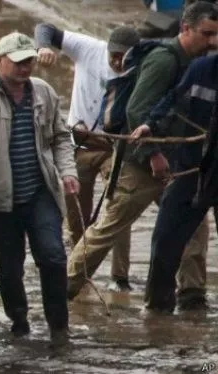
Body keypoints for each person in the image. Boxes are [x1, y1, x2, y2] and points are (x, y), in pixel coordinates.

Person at [66, 1, 218, 311]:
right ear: (185, 29)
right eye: (206, 34)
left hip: (178, 163)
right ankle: (61, 288)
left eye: (216, 35)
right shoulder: (164, 60)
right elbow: (137, 109)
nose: (212, 42)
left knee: (192, 227)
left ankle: (190, 295)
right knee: (110, 227)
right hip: (144, 163)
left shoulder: (195, 62)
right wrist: (153, 155)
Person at [0, 32, 79, 347]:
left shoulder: (44, 93)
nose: (25, 68)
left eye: (29, 62)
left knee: (52, 257)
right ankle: (19, 321)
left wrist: (67, 171)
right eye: (19, 62)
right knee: (9, 268)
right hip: (0, 198)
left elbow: (61, 137)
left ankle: (59, 327)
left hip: (40, 191)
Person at [35, 24, 141, 291]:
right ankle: (81, 270)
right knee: (75, 210)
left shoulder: (142, 68)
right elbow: (46, 28)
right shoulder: (88, 48)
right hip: (79, 142)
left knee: (119, 205)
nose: (117, 62)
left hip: (115, 146)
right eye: (113, 56)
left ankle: (120, 277)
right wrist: (44, 47)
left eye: (123, 58)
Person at [130, 51, 218, 312]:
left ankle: (193, 297)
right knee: (165, 238)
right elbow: (173, 101)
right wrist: (151, 125)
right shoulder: (202, 69)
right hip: (193, 168)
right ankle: (158, 309)